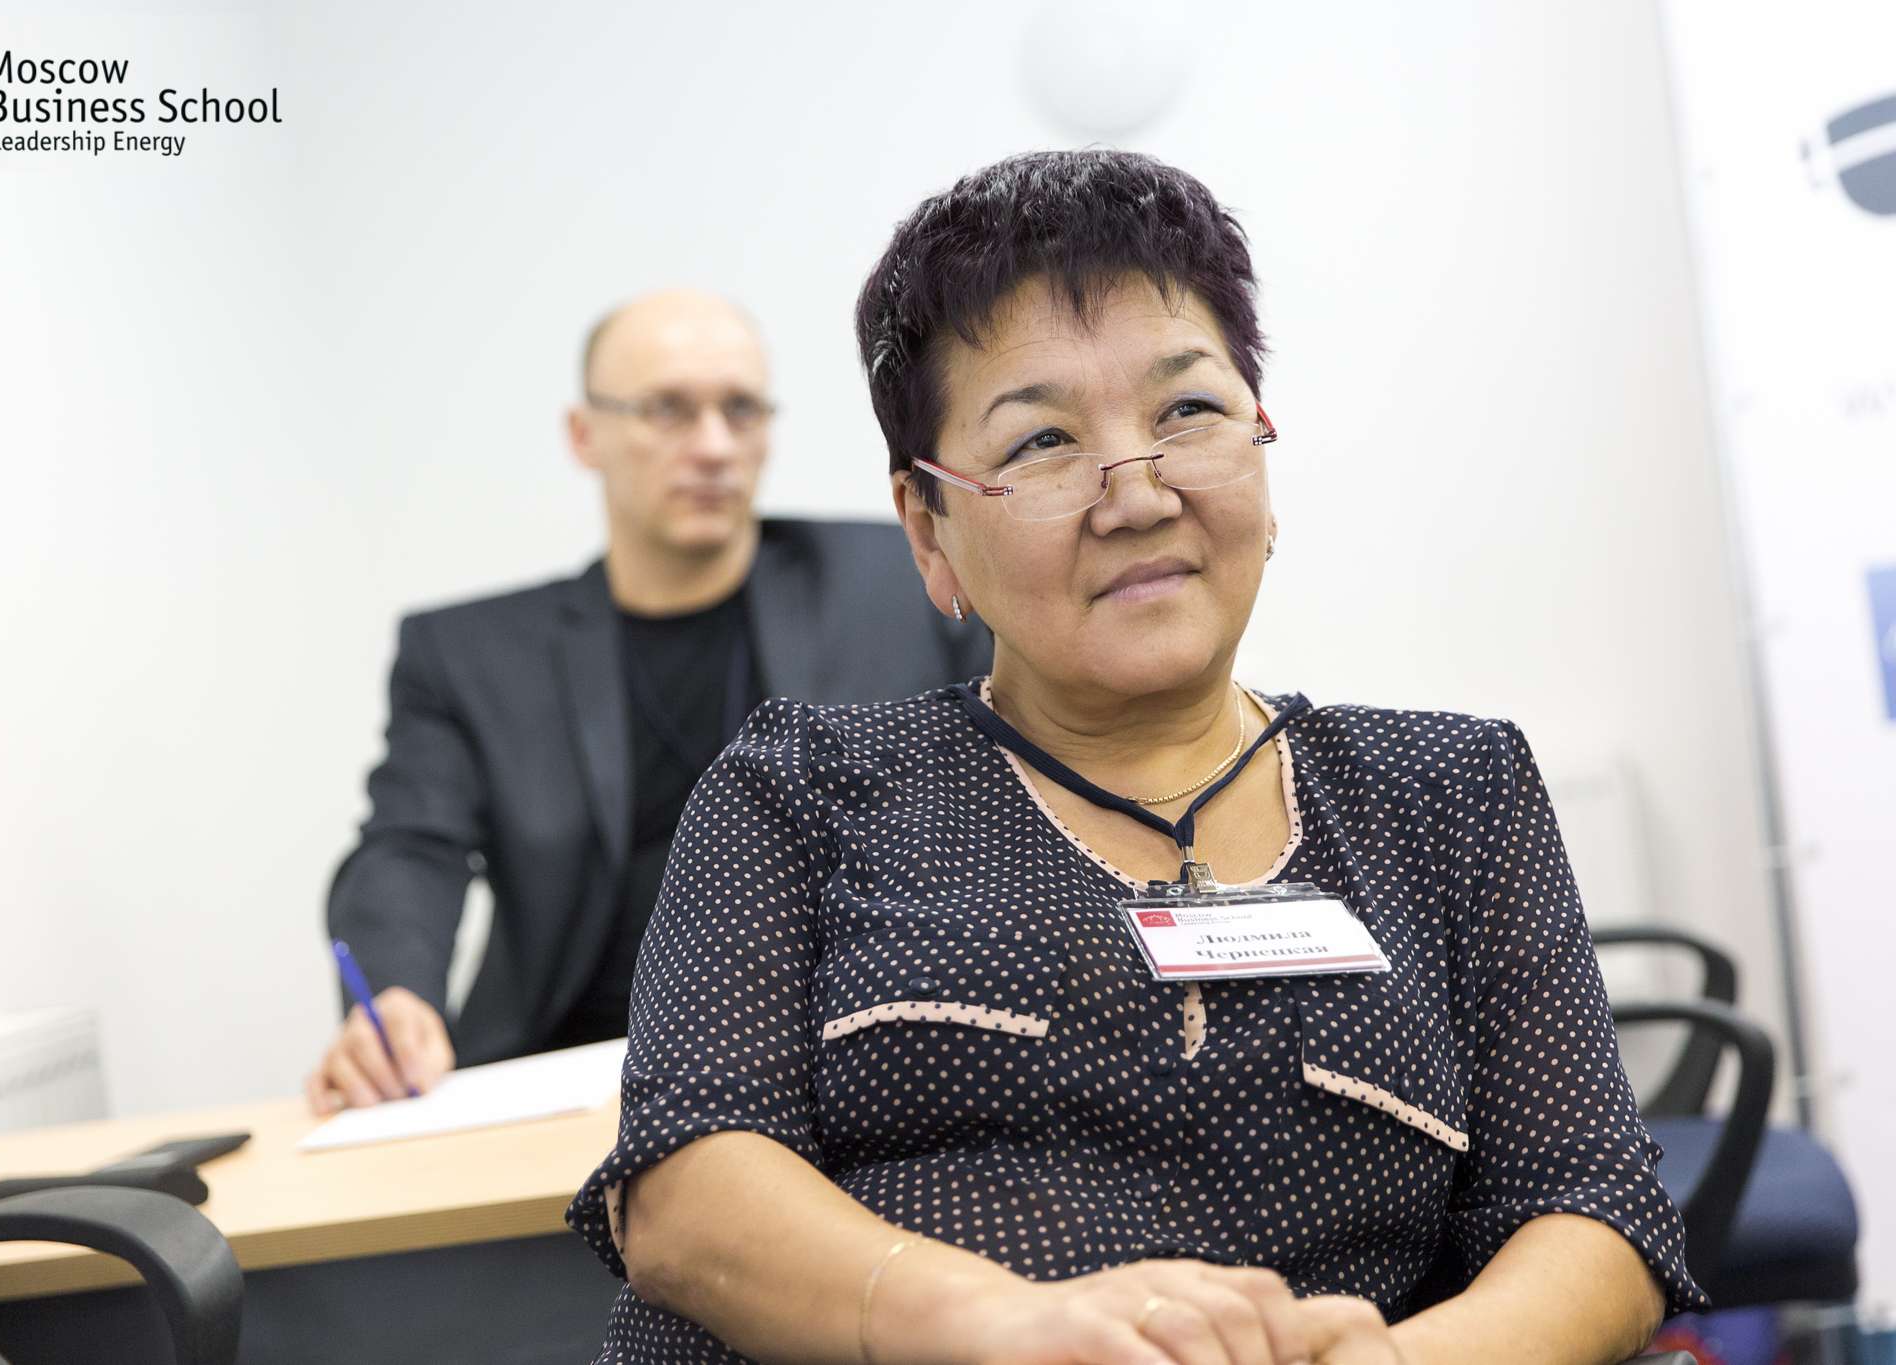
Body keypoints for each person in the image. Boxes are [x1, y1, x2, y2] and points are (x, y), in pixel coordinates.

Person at [564, 154, 1706, 1363]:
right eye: (1042, 441)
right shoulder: (802, 789)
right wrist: (1007, 1328)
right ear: (927, 528)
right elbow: (685, 1188)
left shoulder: (1448, 796)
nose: (1138, 494)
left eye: (1188, 413)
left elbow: (1593, 1210)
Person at [309, 290, 990, 1114]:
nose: (713, 446)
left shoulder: (907, 579)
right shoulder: (471, 656)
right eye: (667, 410)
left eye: (740, 409)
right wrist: (395, 995)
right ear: (583, 435)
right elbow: (408, 846)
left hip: (851, 1057)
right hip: (572, 1072)